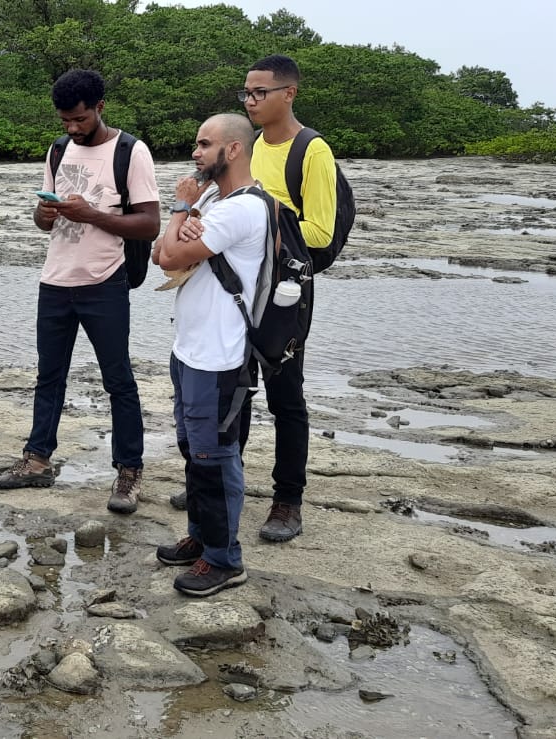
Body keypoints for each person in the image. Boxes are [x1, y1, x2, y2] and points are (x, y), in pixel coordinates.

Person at [0, 69, 159, 515]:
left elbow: (149, 224)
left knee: (117, 379)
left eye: (79, 119)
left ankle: (129, 471)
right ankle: (36, 459)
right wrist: (44, 213)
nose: (71, 128)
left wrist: (91, 214)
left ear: (100, 107)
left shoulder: (130, 151)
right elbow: (43, 221)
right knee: (49, 375)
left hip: (105, 280)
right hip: (56, 279)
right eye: (64, 120)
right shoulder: (59, 149)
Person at [151, 114, 266, 597]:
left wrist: (180, 205)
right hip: (192, 348)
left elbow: (167, 256)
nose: (195, 153)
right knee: (193, 451)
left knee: (214, 457)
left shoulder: (241, 209)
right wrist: (187, 216)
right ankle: (201, 538)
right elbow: (166, 246)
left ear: (234, 150)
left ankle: (224, 559)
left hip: (220, 356)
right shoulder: (218, 201)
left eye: (204, 144)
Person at [238, 54, 336, 543]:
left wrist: (264, 213)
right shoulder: (252, 147)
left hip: (286, 291)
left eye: (260, 92)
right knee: (232, 383)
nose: (252, 101)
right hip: (240, 286)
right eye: (248, 93)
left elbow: (320, 233)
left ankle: (287, 501)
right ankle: (225, 480)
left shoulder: (312, 151)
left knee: (285, 395)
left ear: (288, 94)